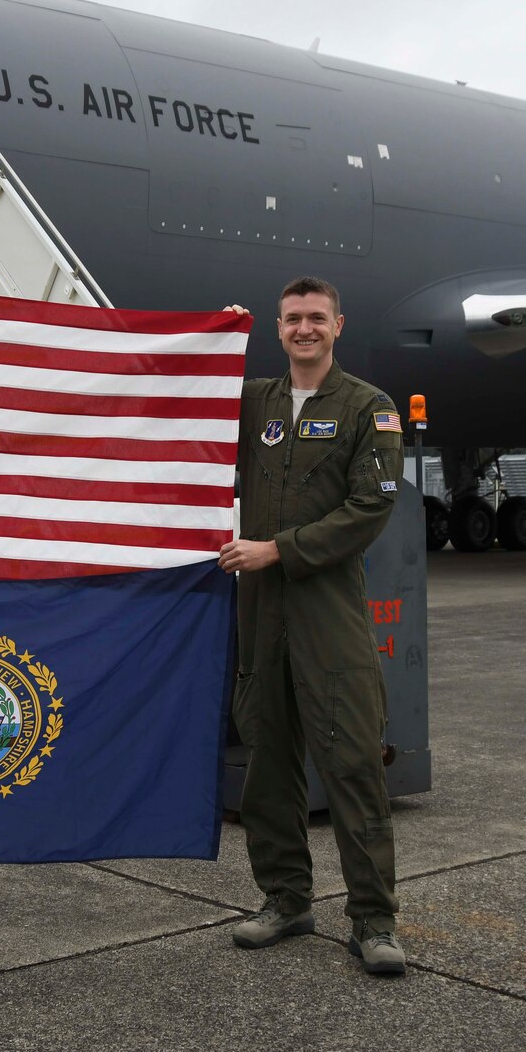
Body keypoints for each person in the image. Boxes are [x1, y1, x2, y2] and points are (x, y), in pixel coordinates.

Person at [218, 276, 408, 977]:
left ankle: (374, 919)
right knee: (267, 760)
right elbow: (187, 415)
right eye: (293, 318)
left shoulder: (368, 408)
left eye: (316, 318)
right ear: (277, 327)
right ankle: (285, 898)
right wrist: (214, 338)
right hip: (259, 610)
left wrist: (279, 549)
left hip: (326, 606)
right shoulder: (256, 401)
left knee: (353, 761)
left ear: (337, 324)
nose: (305, 328)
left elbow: (370, 508)